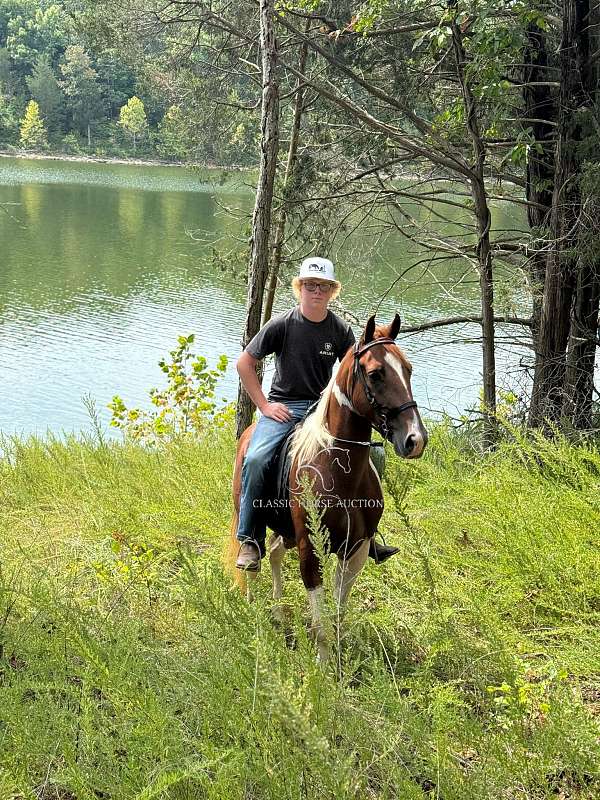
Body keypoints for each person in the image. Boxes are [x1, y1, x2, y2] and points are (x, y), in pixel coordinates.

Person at [235, 256, 399, 571]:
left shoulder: (339, 330)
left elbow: (354, 370)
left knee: (373, 456)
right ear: (300, 288)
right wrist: (265, 406)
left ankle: (367, 531)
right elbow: (244, 363)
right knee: (256, 458)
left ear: (331, 291)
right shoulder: (282, 324)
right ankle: (250, 539)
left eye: (323, 286)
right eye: (310, 285)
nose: (316, 291)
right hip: (284, 406)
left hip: (322, 408)